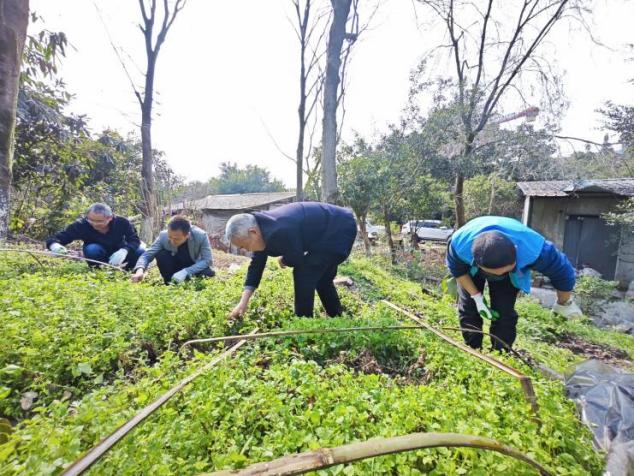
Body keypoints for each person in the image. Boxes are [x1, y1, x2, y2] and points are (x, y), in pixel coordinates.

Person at [446, 215, 582, 351]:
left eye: (503, 271)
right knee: (469, 309)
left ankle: (501, 352)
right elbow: (459, 272)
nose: (496, 276)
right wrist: (477, 298)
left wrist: (563, 303)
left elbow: (563, 274)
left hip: (510, 275)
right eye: (494, 272)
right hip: (472, 269)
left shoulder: (537, 250)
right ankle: (473, 349)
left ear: (515, 251)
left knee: (504, 312)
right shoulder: (459, 246)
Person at [225, 202, 357, 318]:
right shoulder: (261, 230)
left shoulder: (280, 228)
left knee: (304, 273)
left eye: (244, 245)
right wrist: (243, 302)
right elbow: (256, 267)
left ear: (253, 232)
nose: (245, 250)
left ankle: (303, 325)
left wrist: (284, 260)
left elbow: (296, 257)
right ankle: (337, 317)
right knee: (322, 279)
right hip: (333, 228)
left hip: (340, 228)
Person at [46, 203, 144, 270]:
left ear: (110, 218)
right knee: (92, 249)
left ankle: (129, 272)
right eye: (91, 220)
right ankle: (98, 272)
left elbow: (134, 240)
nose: (94, 224)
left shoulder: (122, 222)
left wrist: (124, 251)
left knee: (140, 251)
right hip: (97, 254)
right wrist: (55, 245)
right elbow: (57, 237)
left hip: (120, 254)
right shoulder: (81, 225)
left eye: (99, 221)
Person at [131, 215, 214, 285]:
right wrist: (140, 270)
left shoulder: (200, 236)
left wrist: (186, 272)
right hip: (174, 265)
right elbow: (147, 255)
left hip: (193, 265)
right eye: (170, 237)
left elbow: (207, 260)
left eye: (176, 239)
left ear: (187, 235)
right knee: (161, 255)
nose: (172, 241)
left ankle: (191, 283)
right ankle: (169, 283)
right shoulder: (163, 236)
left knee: (208, 273)